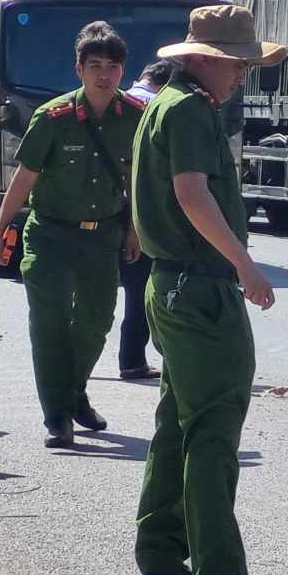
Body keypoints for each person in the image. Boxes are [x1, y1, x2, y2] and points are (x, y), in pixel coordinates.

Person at [130, 4, 288, 575]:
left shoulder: (163, 105)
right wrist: (244, 265)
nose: (242, 76)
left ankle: (164, 564)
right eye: (236, 64)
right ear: (204, 61)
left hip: (173, 286)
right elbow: (192, 194)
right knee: (213, 430)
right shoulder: (192, 110)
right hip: (199, 289)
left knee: (179, 426)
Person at [0, 21, 141, 448]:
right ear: (78, 69)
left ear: (123, 71)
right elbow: (24, 177)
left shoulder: (134, 117)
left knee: (95, 322)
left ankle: (74, 394)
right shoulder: (53, 117)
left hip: (102, 237)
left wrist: (134, 230)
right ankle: (58, 415)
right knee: (49, 324)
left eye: (112, 66)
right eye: (95, 66)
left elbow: (138, 181)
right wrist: (1, 227)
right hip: (50, 235)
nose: (104, 75)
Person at [115, 59, 175, 380]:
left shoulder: (120, 101)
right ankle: (133, 361)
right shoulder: (156, 108)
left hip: (107, 211)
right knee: (140, 292)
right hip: (139, 216)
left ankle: (71, 361)